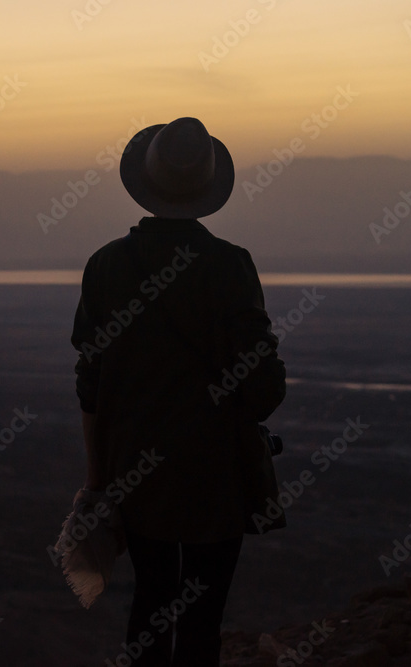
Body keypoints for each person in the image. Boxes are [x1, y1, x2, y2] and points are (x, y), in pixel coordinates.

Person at [70, 117, 287, 665]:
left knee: (151, 601)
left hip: (136, 477)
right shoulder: (231, 266)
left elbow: (89, 386)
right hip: (217, 476)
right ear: (207, 189)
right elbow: (263, 388)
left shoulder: (106, 267)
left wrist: (98, 480)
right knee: (203, 615)